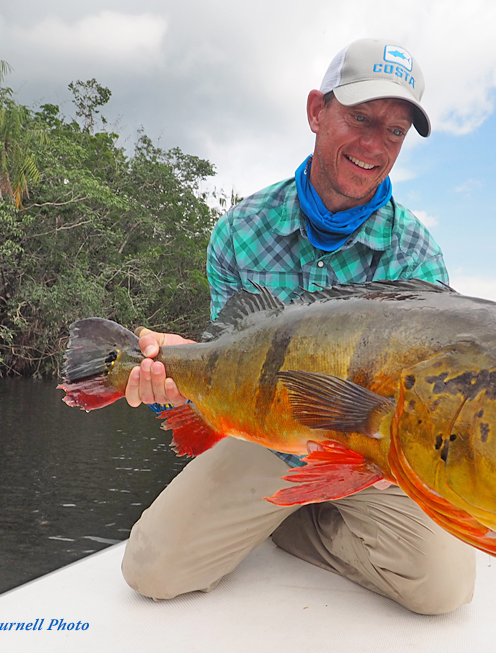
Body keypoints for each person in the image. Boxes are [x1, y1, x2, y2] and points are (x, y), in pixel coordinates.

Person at [119, 39, 476, 616]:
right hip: (264, 439)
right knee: (152, 571)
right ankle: (287, 509)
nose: (374, 145)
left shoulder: (417, 253)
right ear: (317, 111)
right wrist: (177, 373)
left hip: (368, 455)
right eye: (360, 118)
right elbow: (227, 360)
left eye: (394, 132)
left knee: (443, 589)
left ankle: (296, 526)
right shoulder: (239, 230)